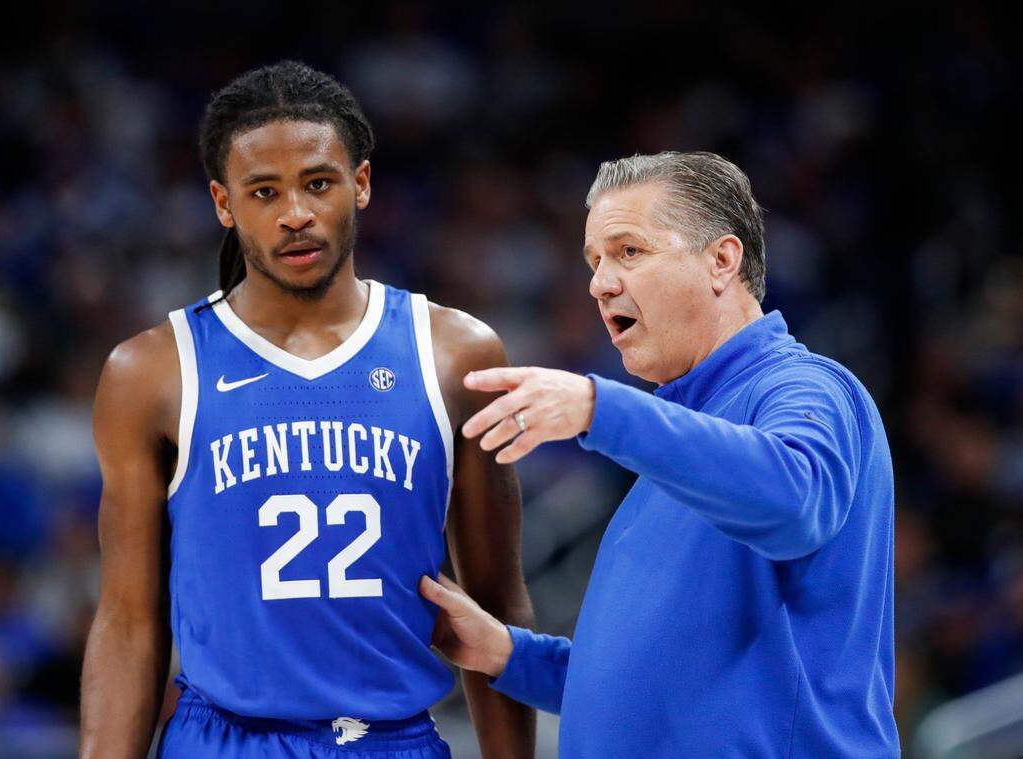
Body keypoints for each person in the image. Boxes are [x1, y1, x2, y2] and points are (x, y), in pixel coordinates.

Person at [79, 61, 534, 759]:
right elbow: (129, 621)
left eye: (318, 182)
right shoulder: (150, 371)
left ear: (362, 184)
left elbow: (496, 603)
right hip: (222, 739)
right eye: (264, 191)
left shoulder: (456, 354)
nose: (296, 212)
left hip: (390, 739)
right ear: (223, 203)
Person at [420, 152, 900, 756]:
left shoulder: (804, 388)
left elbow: (795, 501)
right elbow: (653, 688)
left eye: (629, 251)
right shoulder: (675, 452)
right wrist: (507, 654)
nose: (599, 282)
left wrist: (601, 408)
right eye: (594, 262)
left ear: (722, 261)